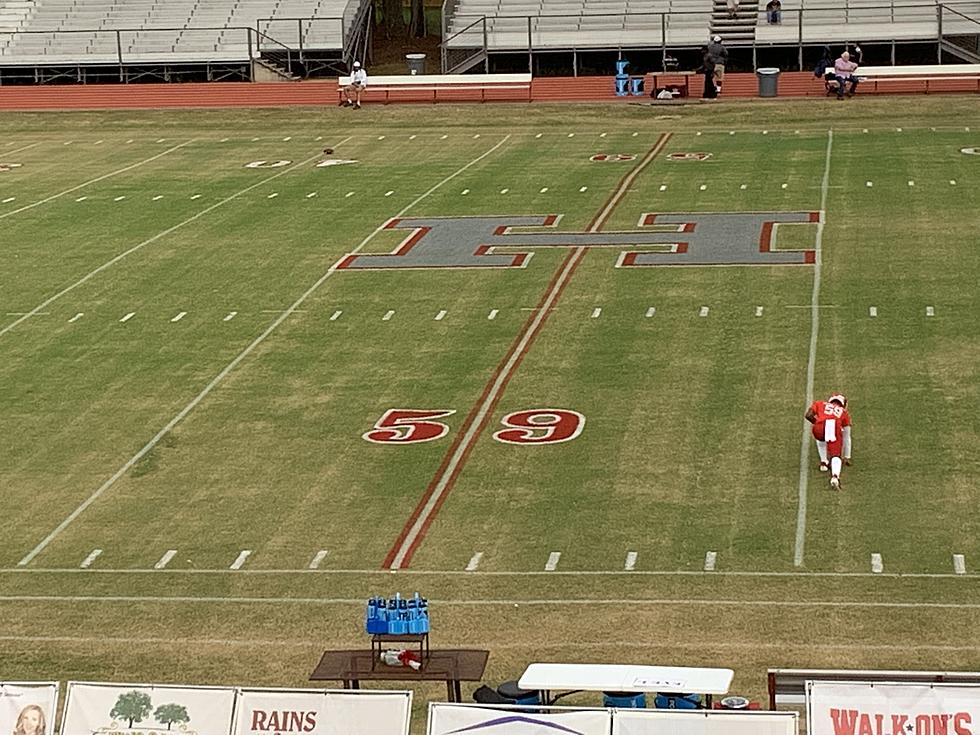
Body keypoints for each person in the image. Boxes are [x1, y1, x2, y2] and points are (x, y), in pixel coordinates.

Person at [805, 394, 853, 490]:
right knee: (836, 455)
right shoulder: (844, 413)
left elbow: (808, 415)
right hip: (833, 426)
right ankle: (835, 477)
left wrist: (818, 423)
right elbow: (846, 437)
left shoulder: (820, 403)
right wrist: (847, 456)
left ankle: (824, 462)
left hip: (819, 426)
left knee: (821, 437)